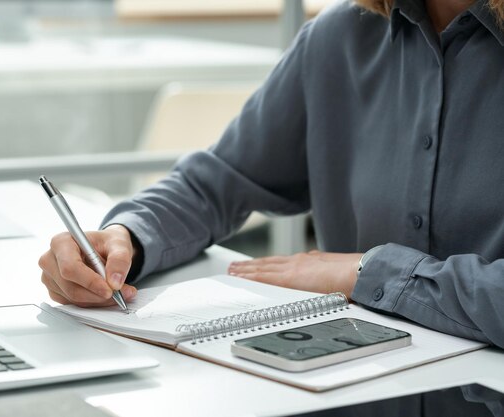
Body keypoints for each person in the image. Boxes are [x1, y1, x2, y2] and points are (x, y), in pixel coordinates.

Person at [39, 0, 504, 349]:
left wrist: (368, 272)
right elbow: (216, 182)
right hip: (351, 378)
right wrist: (124, 240)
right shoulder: (339, 37)